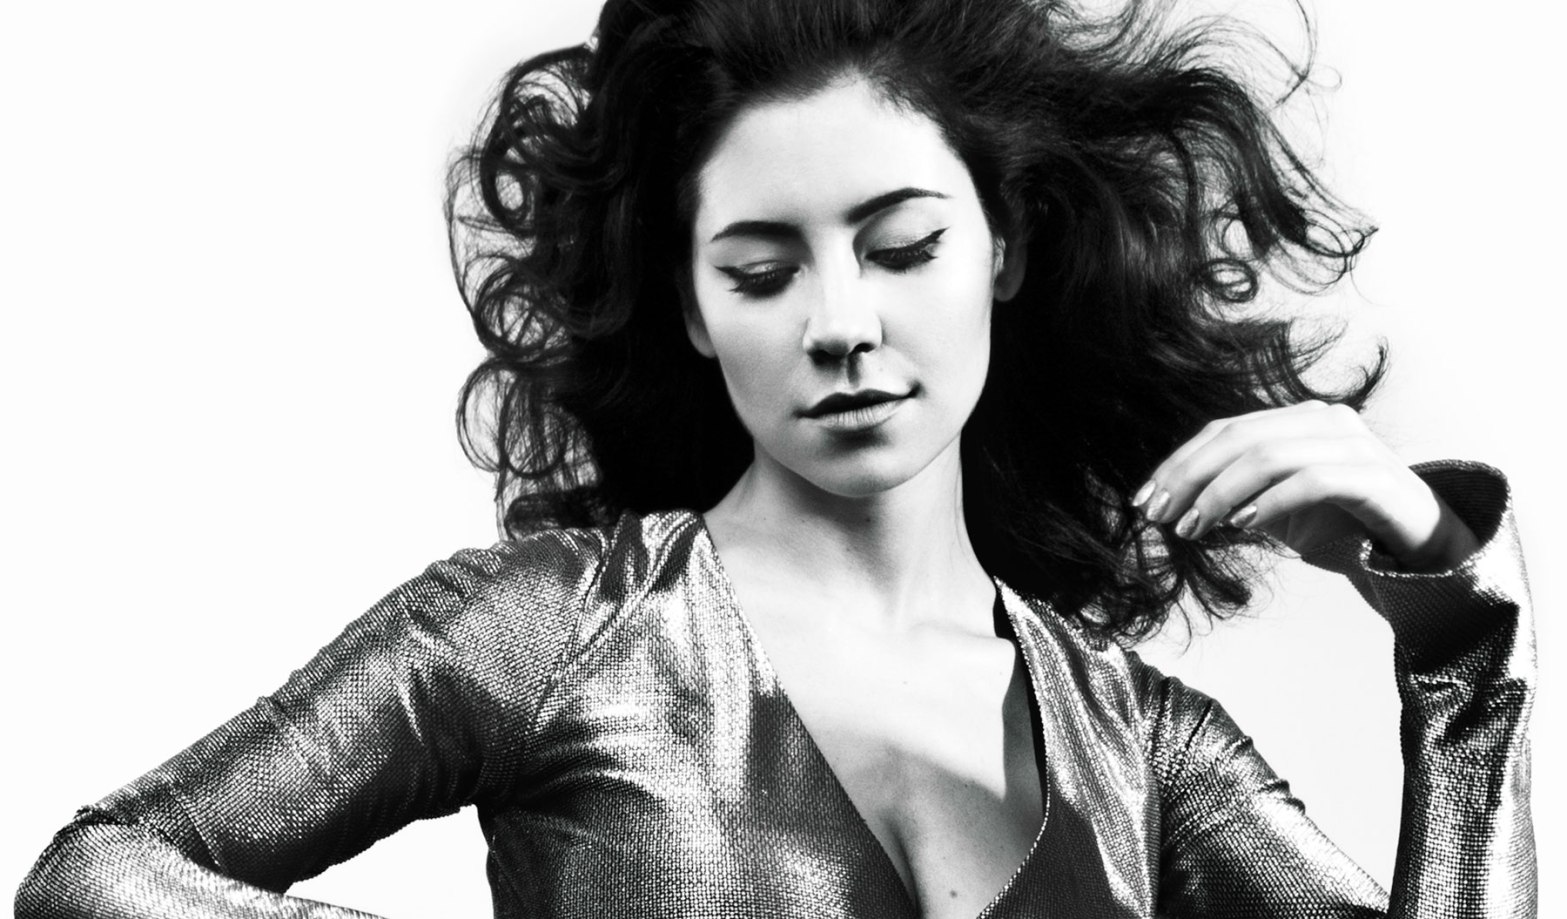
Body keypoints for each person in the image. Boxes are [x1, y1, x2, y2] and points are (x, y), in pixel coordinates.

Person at [14, 0, 1535, 916]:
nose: (842, 324)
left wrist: (1461, 632)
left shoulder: (1142, 746)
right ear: (691, 306)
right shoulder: (556, 632)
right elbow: (97, 873)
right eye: (761, 271)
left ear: (1003, 249)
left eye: (903, 247)